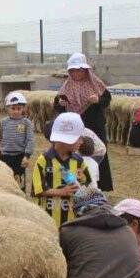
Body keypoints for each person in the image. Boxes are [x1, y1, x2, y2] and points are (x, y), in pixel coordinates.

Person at [55, 53, 114, 190]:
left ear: (85, 70)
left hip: (94, 126)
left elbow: (107, 100)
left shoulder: (96, 84)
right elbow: (57, 105)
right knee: (74, 153)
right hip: (74, 127)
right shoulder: (67, 86)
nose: (75, 74)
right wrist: (61, 104)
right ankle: (75, 186)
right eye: (72, 71)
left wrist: (98, 100)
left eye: (79, 70)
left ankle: (99, 186)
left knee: (97, 151)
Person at [31, 112, 92, 226]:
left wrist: (81, 187)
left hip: (73, 221)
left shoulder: (79, 161)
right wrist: (61, 192)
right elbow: (37, 190)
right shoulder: (43, 160)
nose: (81, 141)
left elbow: (86, 184)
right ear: (66, 140)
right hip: (48, 221)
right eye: (79, 137)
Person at [0, 91, 34, 187]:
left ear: (23, 108)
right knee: (5, 182)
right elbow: (0, 138)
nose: (16, 111)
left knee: (19, 182)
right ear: (8, 108)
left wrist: (26, 156)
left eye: (19, 108)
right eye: (13, 108)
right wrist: (0, 153)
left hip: (19, 157)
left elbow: (30, 140)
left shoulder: (26, 123)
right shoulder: (3, 122)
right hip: (5, 156)